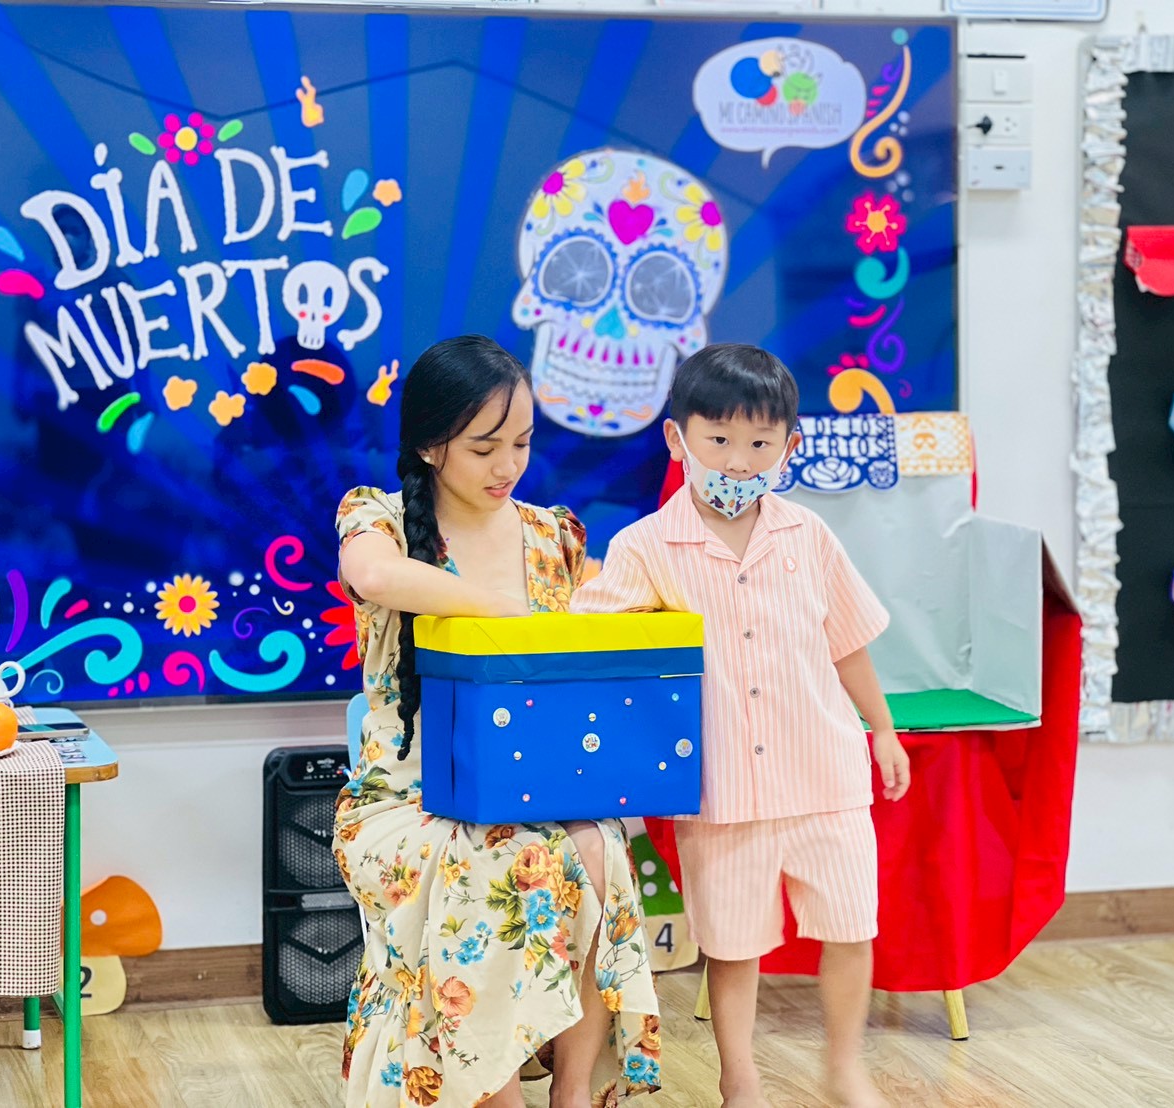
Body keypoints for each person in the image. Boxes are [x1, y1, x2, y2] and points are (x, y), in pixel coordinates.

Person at [572, 344, 911, 1108]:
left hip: (824, 773)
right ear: (677, 439)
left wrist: (883, 730)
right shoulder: (644, 547)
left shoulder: (808, 536)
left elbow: (846, 642)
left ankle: (844, 1067)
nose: (737, 460)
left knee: (851, 926)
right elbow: (592, 642)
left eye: (760, 443)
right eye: (719, 439)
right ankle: (740, 1079)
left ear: (790, 445)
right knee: (732, 946)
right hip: (721, 790)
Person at [333, 336, 661, 1108]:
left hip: (534, 786)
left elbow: (614, 612)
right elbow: (370, 574)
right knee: (505, 865)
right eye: (484, 447)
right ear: (430, 444)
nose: (506, 465)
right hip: (405, 798)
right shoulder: (378, 518)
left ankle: (571, 1091)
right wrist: (506, 614)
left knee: (602, 851)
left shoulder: (553, 534)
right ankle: (495, 1089)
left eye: (520, 443)